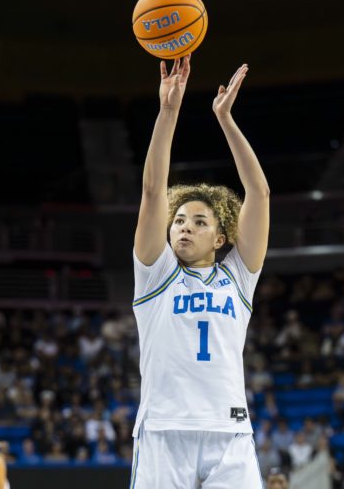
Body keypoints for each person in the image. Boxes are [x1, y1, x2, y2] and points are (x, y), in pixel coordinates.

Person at [129, 53, 270, 489]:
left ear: (221, 238)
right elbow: (153, 191)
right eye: (179, 221)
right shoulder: (156, 274)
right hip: (164, 429)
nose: (185, 227)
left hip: (229, 431)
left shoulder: (238, 278)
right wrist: (168, 111)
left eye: (199, 222)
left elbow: (259, 193)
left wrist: (225, 119)